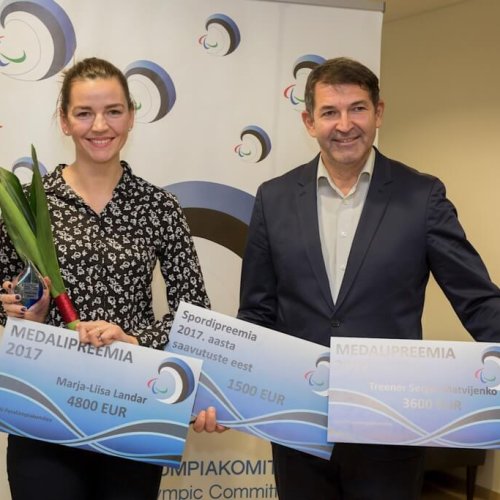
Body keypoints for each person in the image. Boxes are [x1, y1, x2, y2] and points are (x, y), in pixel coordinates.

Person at [237, 57, 500, 499]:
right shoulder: (273, 198)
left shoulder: (422, 196)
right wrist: (230, 388)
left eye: (357, 108)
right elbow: (256, 312)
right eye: (329, 112)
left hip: (390, 429)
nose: (345, 125)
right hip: (298, 427)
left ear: (378, 112)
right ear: (309, 121)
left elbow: (476, 299)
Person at [0, 57, 211, 500]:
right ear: (64, 121)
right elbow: (7, 310)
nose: (100, 125)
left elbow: (194, 316)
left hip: (133, 410)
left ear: (131, 116)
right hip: (45, 410)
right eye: (84, 113)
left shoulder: (159, 207)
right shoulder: (28, 206)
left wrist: (133, 339)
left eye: (113, 111)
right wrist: (24, 316)